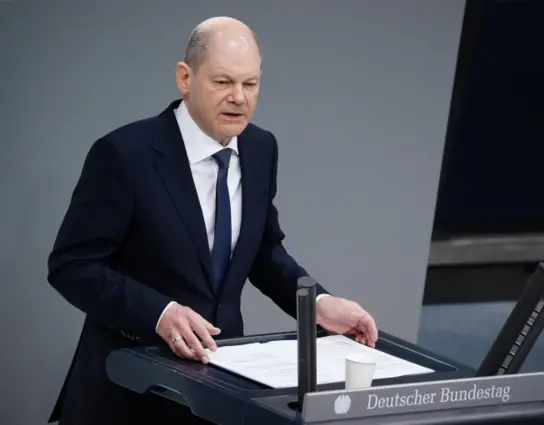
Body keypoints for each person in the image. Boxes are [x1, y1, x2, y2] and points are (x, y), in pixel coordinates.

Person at [46, 15, 378, 425]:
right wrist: (159, 312)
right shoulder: (124, 155)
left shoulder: (260, 148)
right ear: (185, 78)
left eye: (250, 84)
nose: (239, 98)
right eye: (223, 82)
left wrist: (320, 306)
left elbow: (263, 252)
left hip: (216, 388)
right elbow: (72, 266)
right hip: (128, 388)